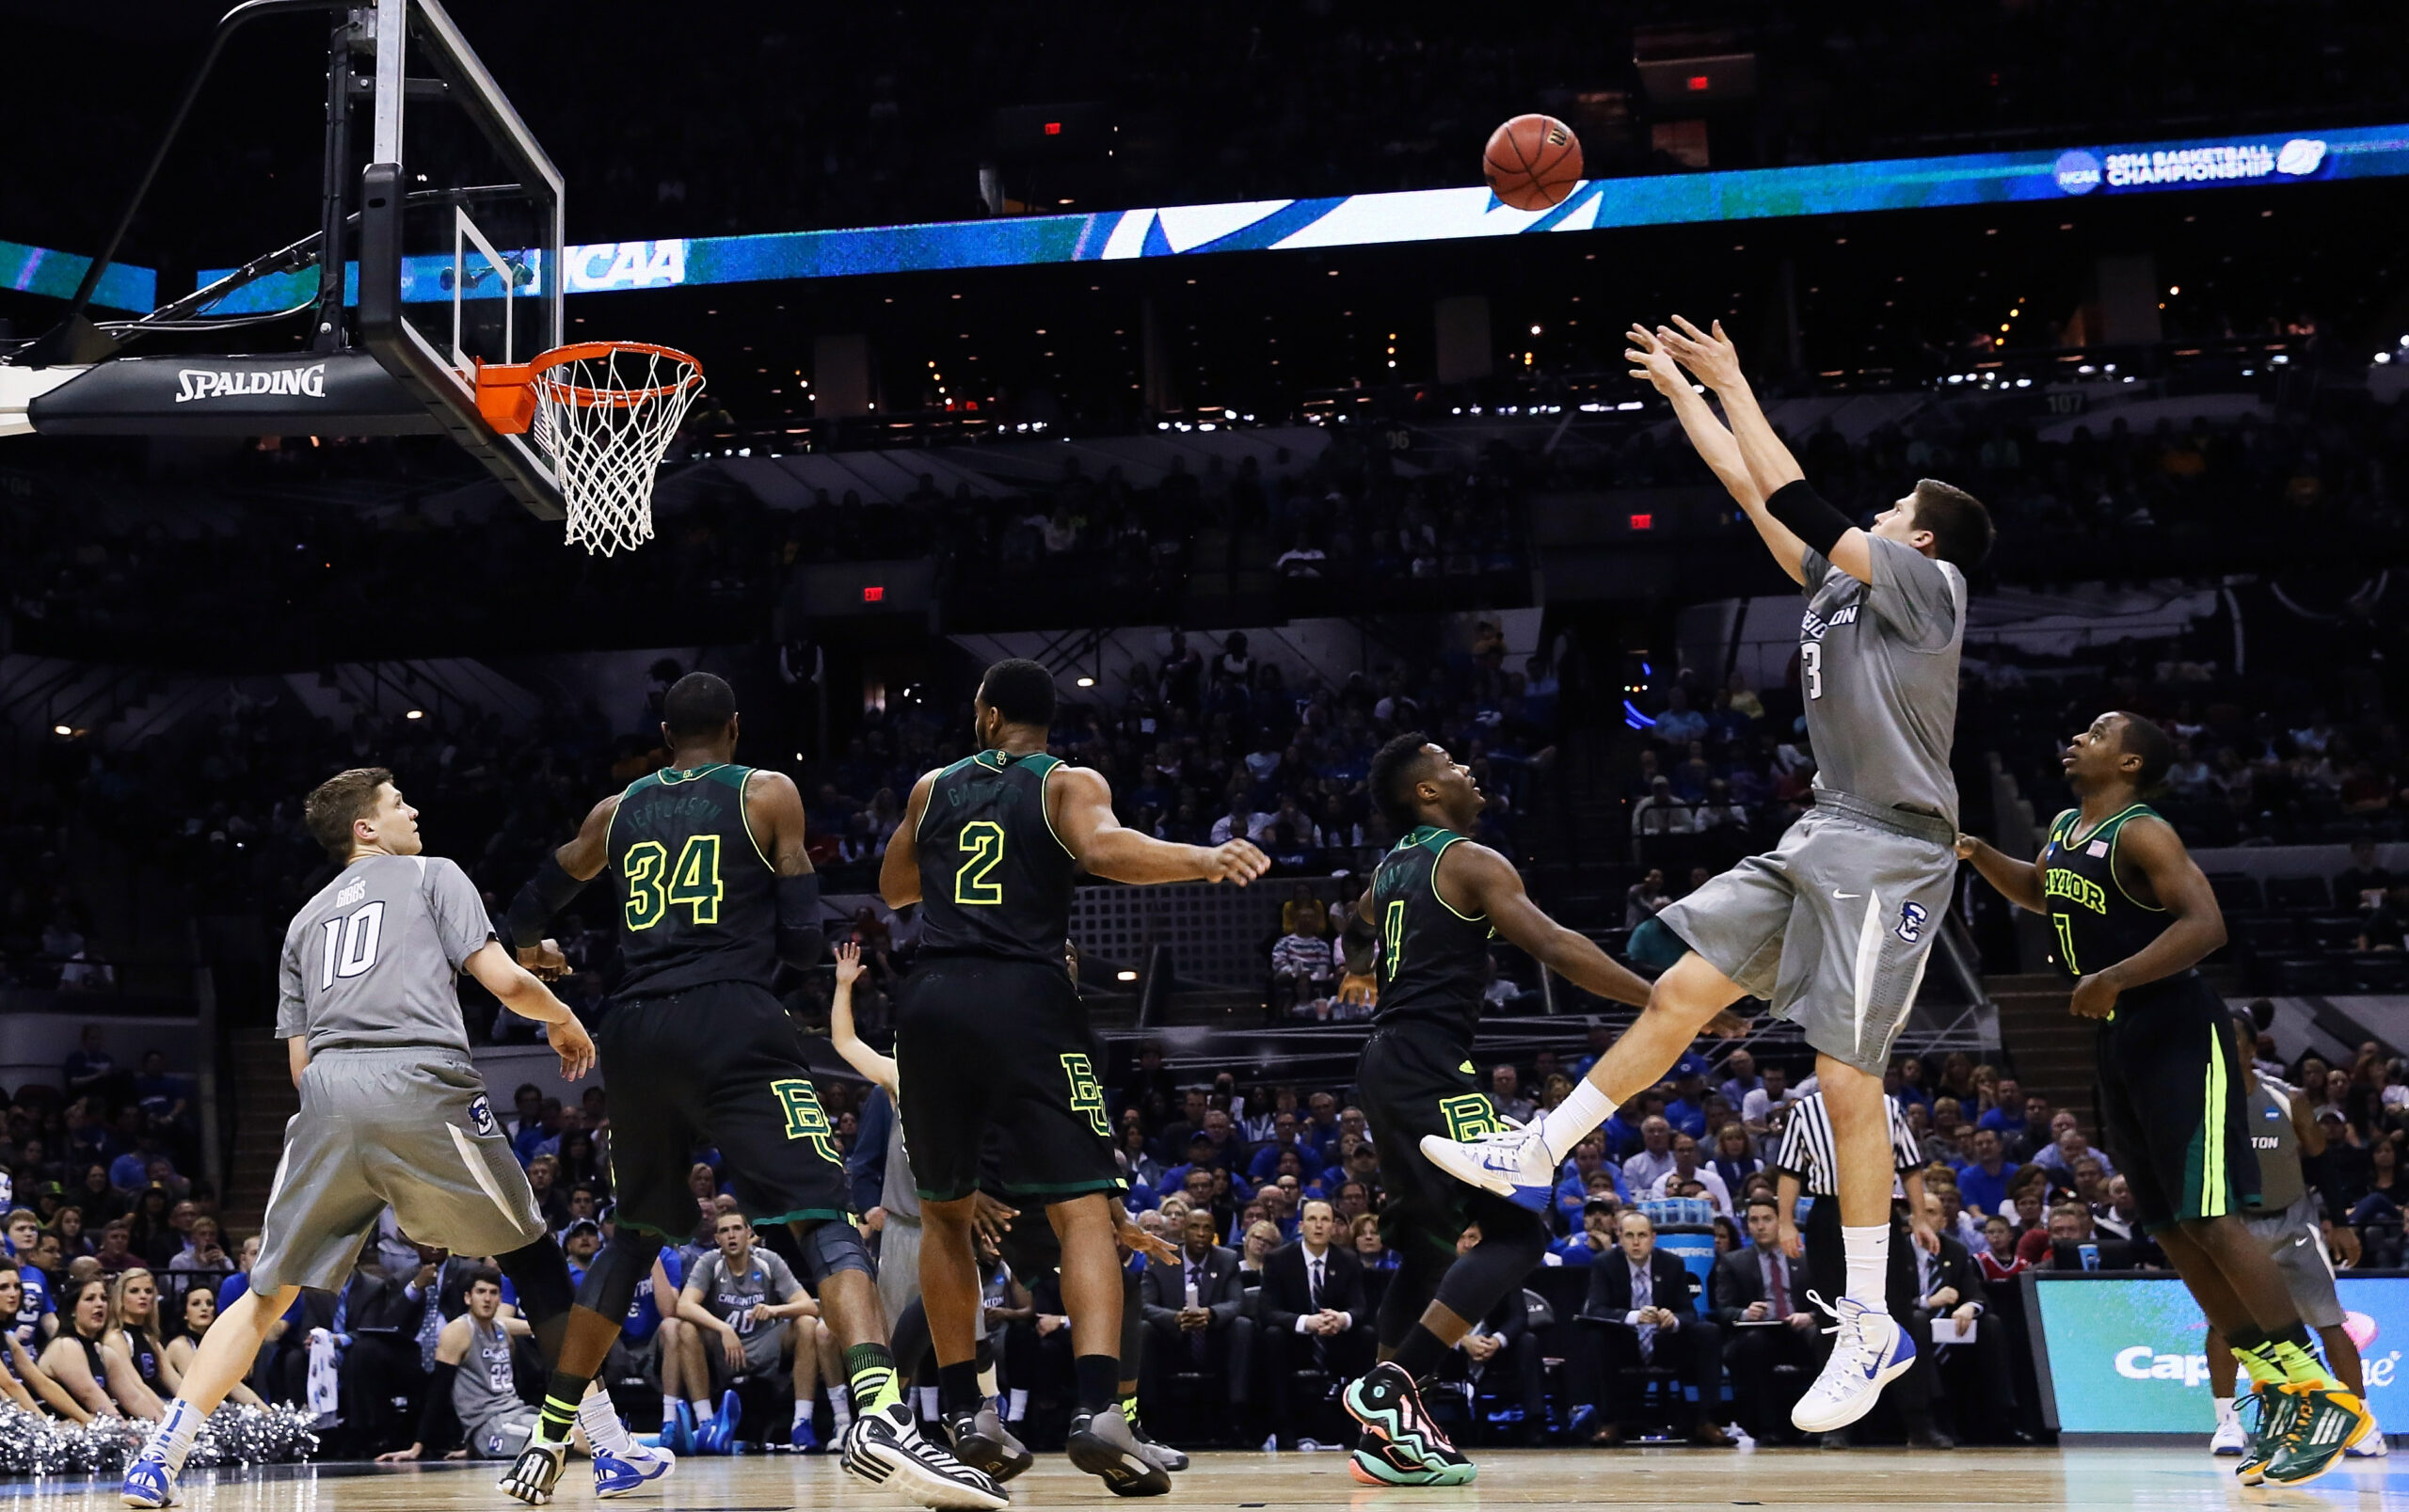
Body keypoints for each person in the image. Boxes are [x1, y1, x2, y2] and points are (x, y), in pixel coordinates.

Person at [1424, 315, 1991, 1440]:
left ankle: (1871, 1319)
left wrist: (1734, 375)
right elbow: (1756, 494)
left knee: (1844, 1081)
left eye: (1889, 511)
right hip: (1824, 829)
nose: (1874, 514)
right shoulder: (1842, 593)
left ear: (1921, 536)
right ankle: (1536, 1143)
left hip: (1894, 844)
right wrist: (1686, 397)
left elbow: (1801, 498)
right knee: (1684, 989)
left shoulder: (1932, 584)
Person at [509, 675, 990, 1508]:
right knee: (822, 1211)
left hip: (633, 1026)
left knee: (632, 1234)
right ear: (735, 726)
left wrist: (537, 949)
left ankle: (553, 1434)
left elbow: (529, 902)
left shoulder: (615, 810)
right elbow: (805, 940)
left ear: (664, 734)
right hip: (731, 1016)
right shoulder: (766, 792)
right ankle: (878, 1414)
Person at [122, 767, 609, 1510]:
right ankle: (610, 1446)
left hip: (327, 1094)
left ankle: (162, 1452)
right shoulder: (432, 874)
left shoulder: (303, 920)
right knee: (531, 1252)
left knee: (265, 1293)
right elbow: (504, 980)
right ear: (366, 828)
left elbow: (296, 1062)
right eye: (397, 802)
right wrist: (562, 1016)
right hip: (418, 1078)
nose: (413, 809)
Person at [879, 658, 1267, 1496]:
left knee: (945, 1218)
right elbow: (1104, 849)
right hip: (1026, 995)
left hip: (932, 997)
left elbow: (894, 884)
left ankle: (965, 1412)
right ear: (1043, 724)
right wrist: (1201, 859)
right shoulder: (1066, 780)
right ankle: (1099, 1406)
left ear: (984, 716)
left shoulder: (931, 787)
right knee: (1084, 1208)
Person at [1957, 710, 2374, 1486]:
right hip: (2119, 1036)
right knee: (2170, 1227)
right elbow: (2043, 892)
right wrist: (1977, 850)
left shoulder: (2143, 832)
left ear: (2131, 762)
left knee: (2210, 1215)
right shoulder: (2063, 828)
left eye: (2100, 730)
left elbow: (2207, 924)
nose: (2079, 735)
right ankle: (2278, 1381)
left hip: (2177, 1025)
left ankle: (2321, 1390)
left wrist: (2116, 974)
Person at [1346, 733, 1657, 1486]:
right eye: (1452, 765)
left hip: (1384, 1063)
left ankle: (1385, 1442)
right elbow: (1553, 944)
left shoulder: (1390, 870)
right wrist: (1660, 1000)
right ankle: (1393, 1386)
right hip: (1430, 1065)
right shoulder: (1471, 861)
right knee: (1519, 1231)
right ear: (1425, 791)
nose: (1469, 772)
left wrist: (1361, 970)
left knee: (1426, 1250)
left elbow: (1357, 925)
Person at [2204, 1012, 2384, 1460]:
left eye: (2232, 1041)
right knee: (2224, 1325)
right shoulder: (2204, 1103)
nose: (2224, 1048)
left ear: (2250, 1049)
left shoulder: (2289, 1098)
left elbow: (2322, 1162)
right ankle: (2227, 1423)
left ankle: (2362, 1424)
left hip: (2293, 1223)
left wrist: (2340, 1221)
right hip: (2237, 1227)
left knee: (2329, 1322)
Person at [1769, 1089, 1952, 1448]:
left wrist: (1919, 1217)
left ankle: (1918, 1421)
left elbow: (1910, 1166)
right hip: (1827, 1212)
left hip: (1880, 1211)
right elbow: (1789, 1171)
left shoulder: (1887, 1104)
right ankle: (1838, 1424)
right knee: (1835, 1318)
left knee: (1899, 1316)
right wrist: (1786, 1222)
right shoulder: (1805, 1110)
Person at [676, 1209, 831, 1453]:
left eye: (737, 1228)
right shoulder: (709, 1262)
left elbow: (809, 1306)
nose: (731, 1235)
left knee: (806, 1323)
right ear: (717, 1239)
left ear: (749, 1233)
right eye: (724, 1231)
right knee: (685, 1328)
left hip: (764, 1341)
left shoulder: (768, 1260)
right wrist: (723, 1328)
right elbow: (684, 1305)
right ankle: (706, 1423)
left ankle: (802, 1422)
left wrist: (774, 1310)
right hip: (725, 1347)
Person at [1578, 1211, 1729, 1446]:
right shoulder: (1605, 1264)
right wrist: (1634, 1317)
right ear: (1619, 1237)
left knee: (1708, 1332)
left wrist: (1673, 1319)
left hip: (1664, 1343)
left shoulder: (1672, 1264)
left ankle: (1707, 1420)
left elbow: (1689, 1313)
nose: (1636, 1242)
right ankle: (1608, 1422)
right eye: (1629, 1235)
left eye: (1642, 1235)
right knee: (1597, 1336)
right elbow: (1595, 1310)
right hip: (1624, 1344)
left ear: (1653, 1238)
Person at [378, 1268, 539, 1463]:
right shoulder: (458, 1330)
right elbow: (439, 1388)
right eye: (480, 1292)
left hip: (517, 1414)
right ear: (467, 1298)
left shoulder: (503, 1333)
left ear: (500, 1299)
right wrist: (418, 1446)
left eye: (493, 1293)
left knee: (573, 1429)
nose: (487, 1298)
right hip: (490, 1426)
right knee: (562, 1439)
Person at [1257, 1200, 1372, 1440]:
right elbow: (1267, 1311)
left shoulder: (1348, 1260)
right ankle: (1281, 1426)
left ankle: (1360, 1424)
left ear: (1333, 1226)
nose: (1319, 1226)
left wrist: (1342, 1319)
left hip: (1336, 1341)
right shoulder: (1279, 1259)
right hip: (1296, 1342)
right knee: (1272, 1336)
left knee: (1366, 1335)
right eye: (1312, 1219)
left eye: (1325, 1220)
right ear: (1301, 1226)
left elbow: (1360, 1307)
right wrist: (1305, 1323)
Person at [1710, 1196, 1817, 1444]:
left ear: (1781, 1222)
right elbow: (1723, 1310)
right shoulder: (1733, 1262)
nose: (1760, 1226)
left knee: (1824, 1338)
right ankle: (1768, 1428)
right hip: (1758, 1334)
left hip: (1799, 1330)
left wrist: (1810, 1316)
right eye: (1754, 1220)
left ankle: (1826, 1423)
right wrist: (1745, 1313)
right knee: (1755, 1343)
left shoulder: (1805, 1258)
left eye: (1767, 1219)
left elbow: (1828, 1303)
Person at [48, 1274, 162, 1420]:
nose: (100, 1304)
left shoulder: (104, 1353)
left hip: (93, 1429)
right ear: (72, 1310)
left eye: (103, 1298)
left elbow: (134, 1398)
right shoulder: (65, 1346)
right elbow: (89, 1395)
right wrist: (123, 1430)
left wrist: (166, 1428)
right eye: (90, 1299)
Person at [162, 1286, 263, 1409]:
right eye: (196, 1304)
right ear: (185, 1314)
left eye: (209, 1303)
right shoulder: (179, 1346)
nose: (204, 1308)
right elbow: (201, 1386)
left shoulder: (217, 1343)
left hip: (213, 1409)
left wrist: (268, 1412)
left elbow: (234, 1385)